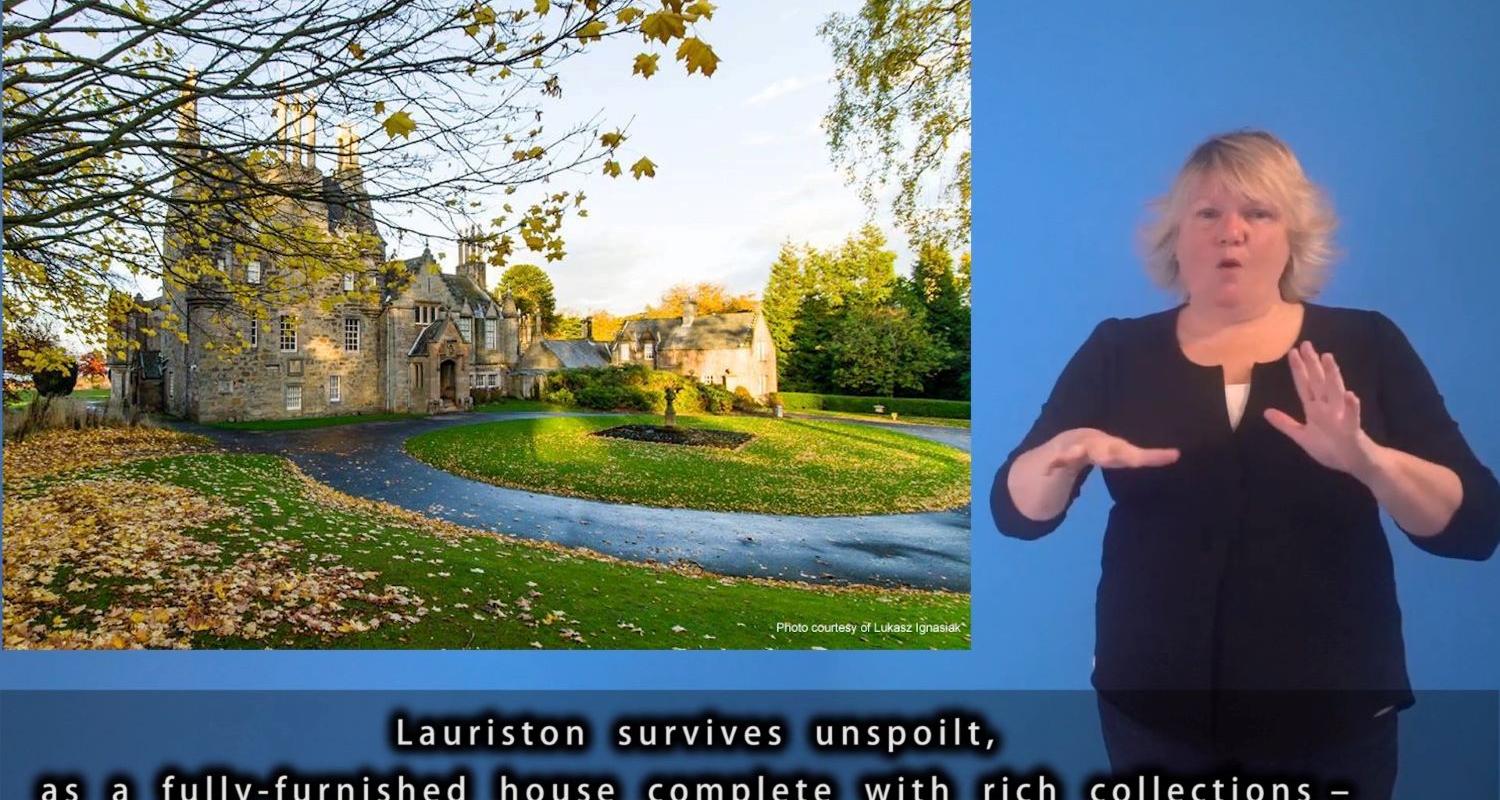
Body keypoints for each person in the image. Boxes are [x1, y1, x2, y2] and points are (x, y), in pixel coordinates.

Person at [990, 130, 1500, 798]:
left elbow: (1476, 527)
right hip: (1152, 716)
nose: (1231, 231)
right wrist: (1058, 455)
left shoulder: (1366, 343)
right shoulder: (1118, 351)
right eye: (1208, 213)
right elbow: (1014, 514)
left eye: (1258, 213)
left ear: (1293, 235)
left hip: (1334, 722)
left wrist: (1369, 461)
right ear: (1176, 235)